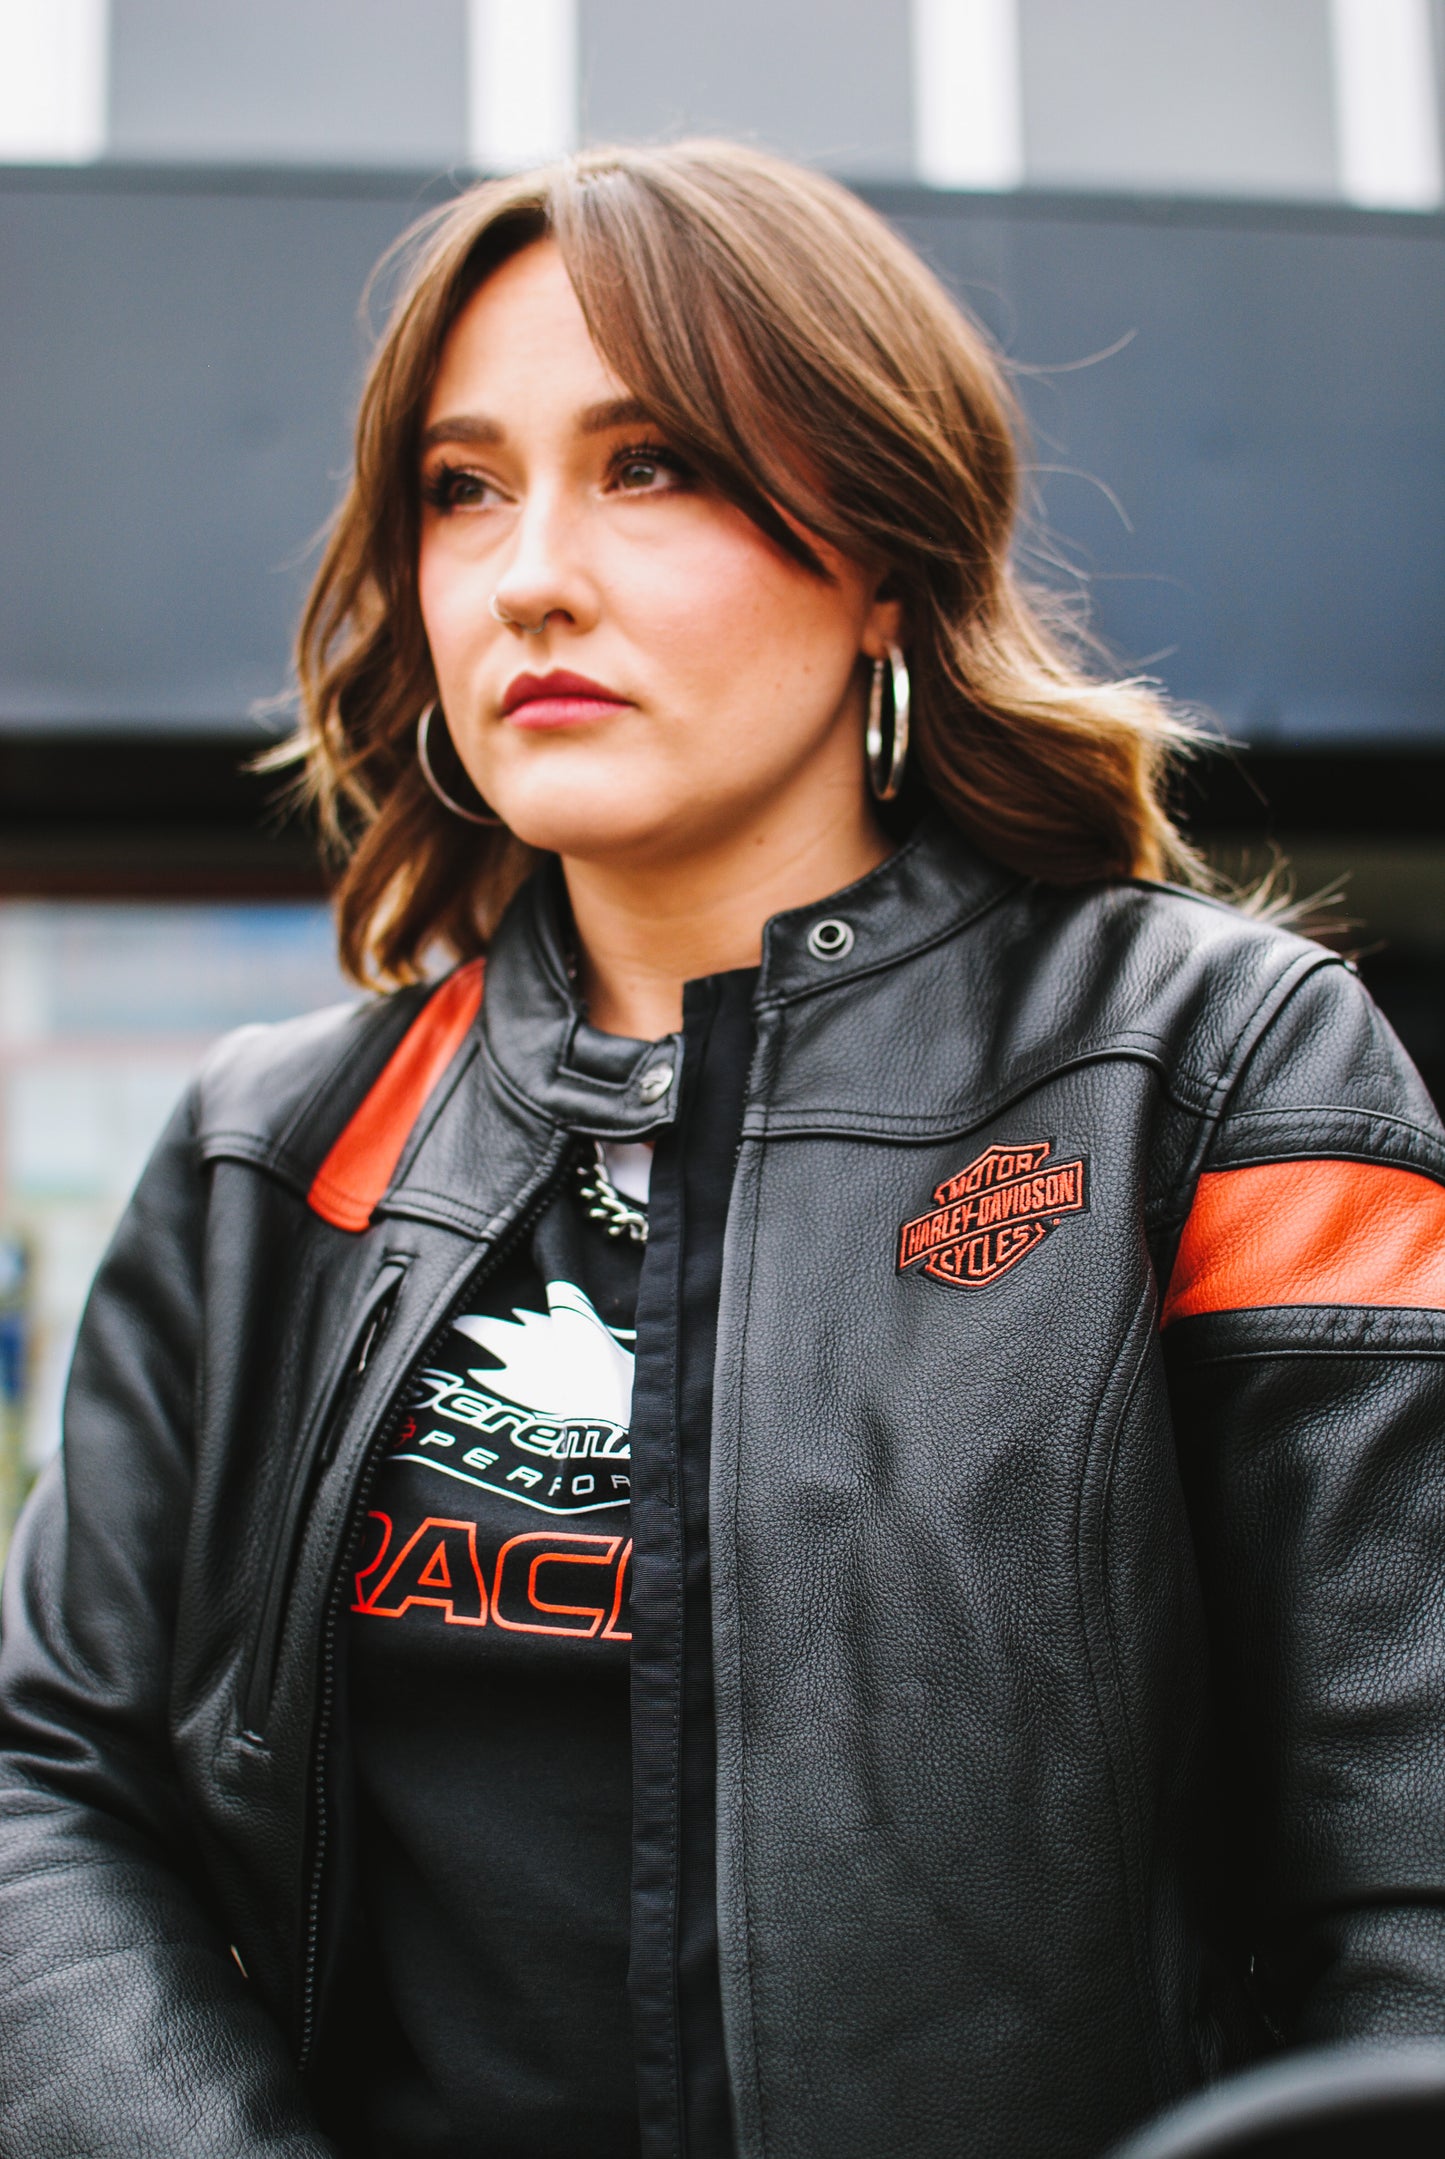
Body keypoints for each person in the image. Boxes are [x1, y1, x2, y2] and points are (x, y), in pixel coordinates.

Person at [0, 138, 1443, 2159]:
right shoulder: (271, 1151)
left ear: (881, 555)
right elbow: (49, 1794)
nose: (530, 574)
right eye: (462, 487)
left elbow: (1409, 1888)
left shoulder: (1210, 1073)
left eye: (651, 465)